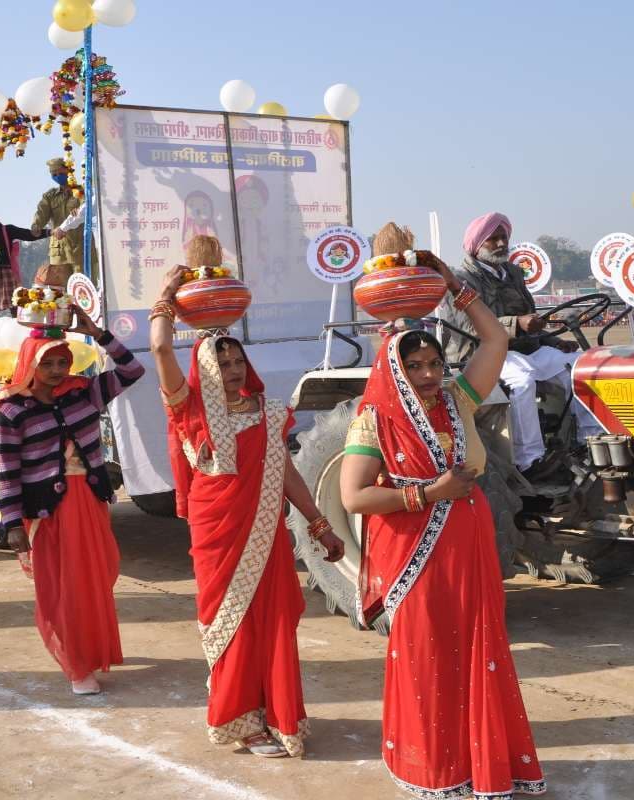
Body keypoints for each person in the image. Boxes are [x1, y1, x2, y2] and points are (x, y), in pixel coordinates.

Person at [340, 245, 547, 798]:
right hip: (418, 553)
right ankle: (432, 769)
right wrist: (430, 492)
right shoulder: (373, 422)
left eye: (434, 363)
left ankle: (485, 765)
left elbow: (496, 340)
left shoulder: (459, 400)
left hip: (470, 542)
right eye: (416, 366)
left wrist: (455, 286)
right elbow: (354, 496)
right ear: (395, 369)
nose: (430, 374)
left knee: (481, 652)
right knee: (429, 657)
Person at [149, 237, 344, 759]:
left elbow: (284, 474)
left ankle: (278, 714)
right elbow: (163, 349)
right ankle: (240, 719)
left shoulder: (268, 409)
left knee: (275, 621)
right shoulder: (187, 409)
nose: (232, 369)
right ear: (206, 370)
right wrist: (168, 295)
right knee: (231, 622)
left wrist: (320, 524)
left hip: (265, 533)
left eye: (237, 360)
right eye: (222, 362)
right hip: (218, 534)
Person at [0, 305, 143, 695]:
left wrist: (98, 333)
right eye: (49, 364)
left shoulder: (84, 393)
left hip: (89, 502)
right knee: (63, 588)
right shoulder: (12, 409)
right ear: (30, 363)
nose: (58, 370)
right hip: (49, 512)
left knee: (99, 578)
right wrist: (12, 526)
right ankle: (77, 666)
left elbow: (132, 370)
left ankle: (91, 649)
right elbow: (6, 470)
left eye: (64, 361)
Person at [435, 214, 599, 480]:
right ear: (477, 244)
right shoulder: (461, 279)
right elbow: (469, 326)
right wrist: (518, 324)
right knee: (522, 380)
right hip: (479, 354)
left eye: (504, 238)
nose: (501, 243)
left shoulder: (512, 272)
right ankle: (529, 460)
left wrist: (552, 340)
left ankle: (591, 442)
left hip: (523, 349)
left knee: (580, 366)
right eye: (493, 239)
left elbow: (530, 317)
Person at [30, 158, 90, 288]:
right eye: (53, 174)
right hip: (58, 248)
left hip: (79, 246)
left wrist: (78, 209)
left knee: (81, 286)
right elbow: (41, 212)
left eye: (59, 172)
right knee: (59, 288)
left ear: (68, 170)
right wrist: (36, 225)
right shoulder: (50, 196)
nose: (57, 176)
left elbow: (85, 207)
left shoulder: (81, 191)